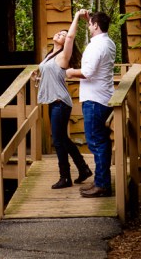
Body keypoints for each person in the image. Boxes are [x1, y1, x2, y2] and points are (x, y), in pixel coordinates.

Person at [33, 14, 93, 190]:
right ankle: (83, 169)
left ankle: (65, 177)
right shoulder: (50, 56)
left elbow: (70, 37)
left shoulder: (63, 56)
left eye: (62, 34)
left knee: (58, 141)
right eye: (58, 33)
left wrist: (76, 17)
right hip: (54, 102)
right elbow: (46, 73)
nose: (60, 34)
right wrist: (37, 77)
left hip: (60, 102)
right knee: (62, 139)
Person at [66, 9, 117, 198]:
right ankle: (99, 181)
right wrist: (90, 18)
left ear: (95, 26)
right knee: (100, 141)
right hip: (102, 97)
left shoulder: (97, 46)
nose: (88, 26)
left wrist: (70, 72)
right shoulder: (107, 42)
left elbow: (87, 72)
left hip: (95, 100)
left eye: (90, 24)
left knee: (97, 142)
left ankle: (102, 185)